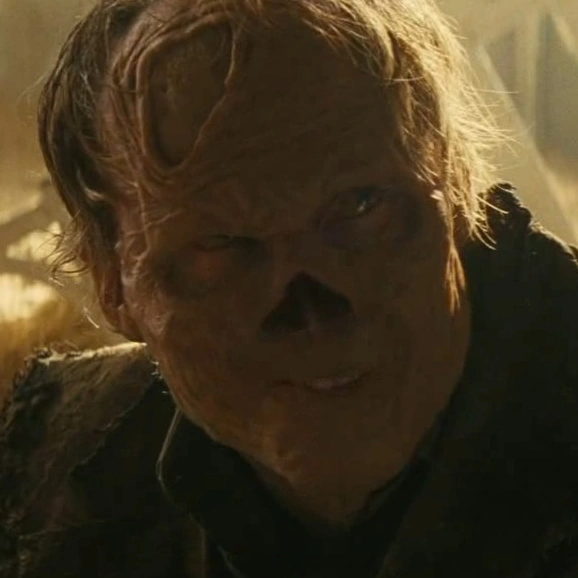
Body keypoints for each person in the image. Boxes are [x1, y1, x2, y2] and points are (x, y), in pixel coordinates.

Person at [1, 0, 578, 576]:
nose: (311, 309)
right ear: (112, 283)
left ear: (455, 186)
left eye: (359, 206)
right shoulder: (55, 473)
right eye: (221, 244)